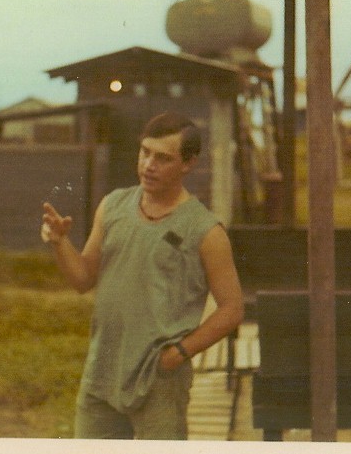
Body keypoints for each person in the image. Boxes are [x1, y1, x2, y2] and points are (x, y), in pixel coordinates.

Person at [41, 111, 244, 440]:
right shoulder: (113, 206)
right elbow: (82, 279)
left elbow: (232, 309)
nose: (149, 165)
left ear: (189, 164)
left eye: (163, 158)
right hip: (103, 371)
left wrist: (179, 354)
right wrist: (59, 242)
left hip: (159, 379)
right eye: (145, 152)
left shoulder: (205, 230)